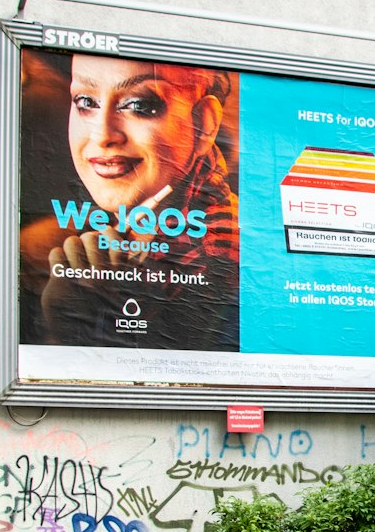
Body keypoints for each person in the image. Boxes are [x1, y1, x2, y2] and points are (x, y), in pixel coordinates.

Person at [20, 54, 240, 350]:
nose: (102, 135)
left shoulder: (211, 259)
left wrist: (73, 334)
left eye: (139, 105)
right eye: (86, 101)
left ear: (204, 123)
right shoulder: (148, 230)